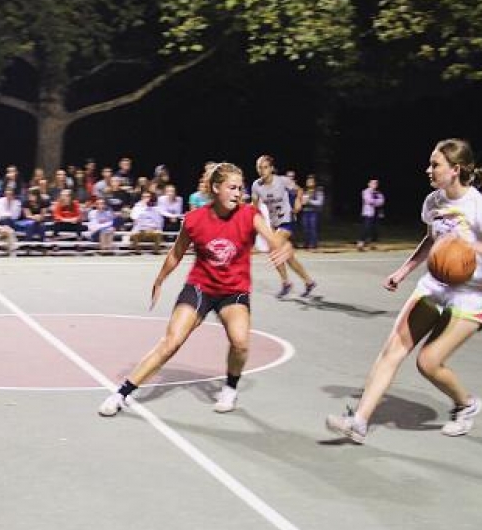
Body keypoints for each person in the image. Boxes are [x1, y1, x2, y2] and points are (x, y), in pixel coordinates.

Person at [325, 139, 482, 444]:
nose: (428, 169)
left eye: (435, 164)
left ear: (455, 170)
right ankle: (358, 422)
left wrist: (470, 246)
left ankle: (466, 405)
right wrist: (403, 271)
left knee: (427, 362)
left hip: (473, 293)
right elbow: (431, 240)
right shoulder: (433, 202)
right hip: (435, 285)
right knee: (392, 350)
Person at [98, 162, 293, 417]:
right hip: (200, 288)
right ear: (216, 188)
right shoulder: (194, 220)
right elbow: (176, 253)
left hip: (233, 291)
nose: (238, 193)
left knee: (241, 343)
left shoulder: (250, 215)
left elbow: (272, 237)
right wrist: (159, 280)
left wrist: (283, 245)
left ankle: (230, 388)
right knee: (171, 342)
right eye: (232, 188)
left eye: (240, 188)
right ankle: (121, 394)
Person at [250, 155, 318, 298]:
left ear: (272, 168)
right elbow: (254, 207)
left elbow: (299, 190)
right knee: (288, 257)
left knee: (273, 247)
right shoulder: (256, 185)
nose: (262, 170)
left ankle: (286, 283)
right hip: (274, 224)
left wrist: (298, 202)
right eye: (259, 168)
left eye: (265, 167)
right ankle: (308, 281)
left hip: (287, 220)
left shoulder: (282, 181)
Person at [357, 178, 385, 250]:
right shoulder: (366, 192)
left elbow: (382, 201)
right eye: (373, 183)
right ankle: (361, 243)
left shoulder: (379, 193)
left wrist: (376, 202)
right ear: (369, 184)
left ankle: (372, 244)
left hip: (376, 214)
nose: (375, 185)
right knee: (366, 228)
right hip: (368, 213)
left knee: (375, 229)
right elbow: (368, 200)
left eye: (376, 183)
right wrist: (376, 202)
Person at [300, 174, 324, 250]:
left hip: (313, 212)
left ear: (314, 183)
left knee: (313, 228)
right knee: (305, 228)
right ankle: (306, 243)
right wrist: (302, 202)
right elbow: (301, 201)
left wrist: (309, 201)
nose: (309, 183)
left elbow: (319, 202)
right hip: (305, 212)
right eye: (308, 181)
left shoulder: (318, 191)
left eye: (311, 181)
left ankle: (313, 244)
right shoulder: (304, 191)